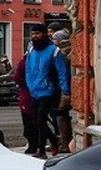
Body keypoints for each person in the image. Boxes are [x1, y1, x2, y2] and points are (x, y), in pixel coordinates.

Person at [24, 22, 70, 159]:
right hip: (34, 90)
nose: (34, 36)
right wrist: (29, 84)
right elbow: (28, 68)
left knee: (40, 118)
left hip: (48, 90)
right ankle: (53, 140)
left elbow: (62, 72)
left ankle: (41, 150)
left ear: (44, 34)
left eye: (37, 33)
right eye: (32, 34)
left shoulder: (54, 51)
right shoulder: (31, 50)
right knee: (35, 119)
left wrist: (65, 90)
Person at [51, 28, 73, 153]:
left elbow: (63, 73)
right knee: (61, 114)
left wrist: (65, 90)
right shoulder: (67, 50)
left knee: (61, 114)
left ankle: (65, 143)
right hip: (65, 87)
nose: (53, 41)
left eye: (54, 39)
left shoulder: (62, 53)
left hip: (63, 88)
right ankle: (65, 141)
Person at [13, 54, 37, 154]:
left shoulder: (24, 63)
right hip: (41, 94)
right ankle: (42, 143)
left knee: (28, 123)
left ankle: (33, 145)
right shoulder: (39, 60)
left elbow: (17, 78)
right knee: (39, 121)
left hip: (27, 96)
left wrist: (23, 85)